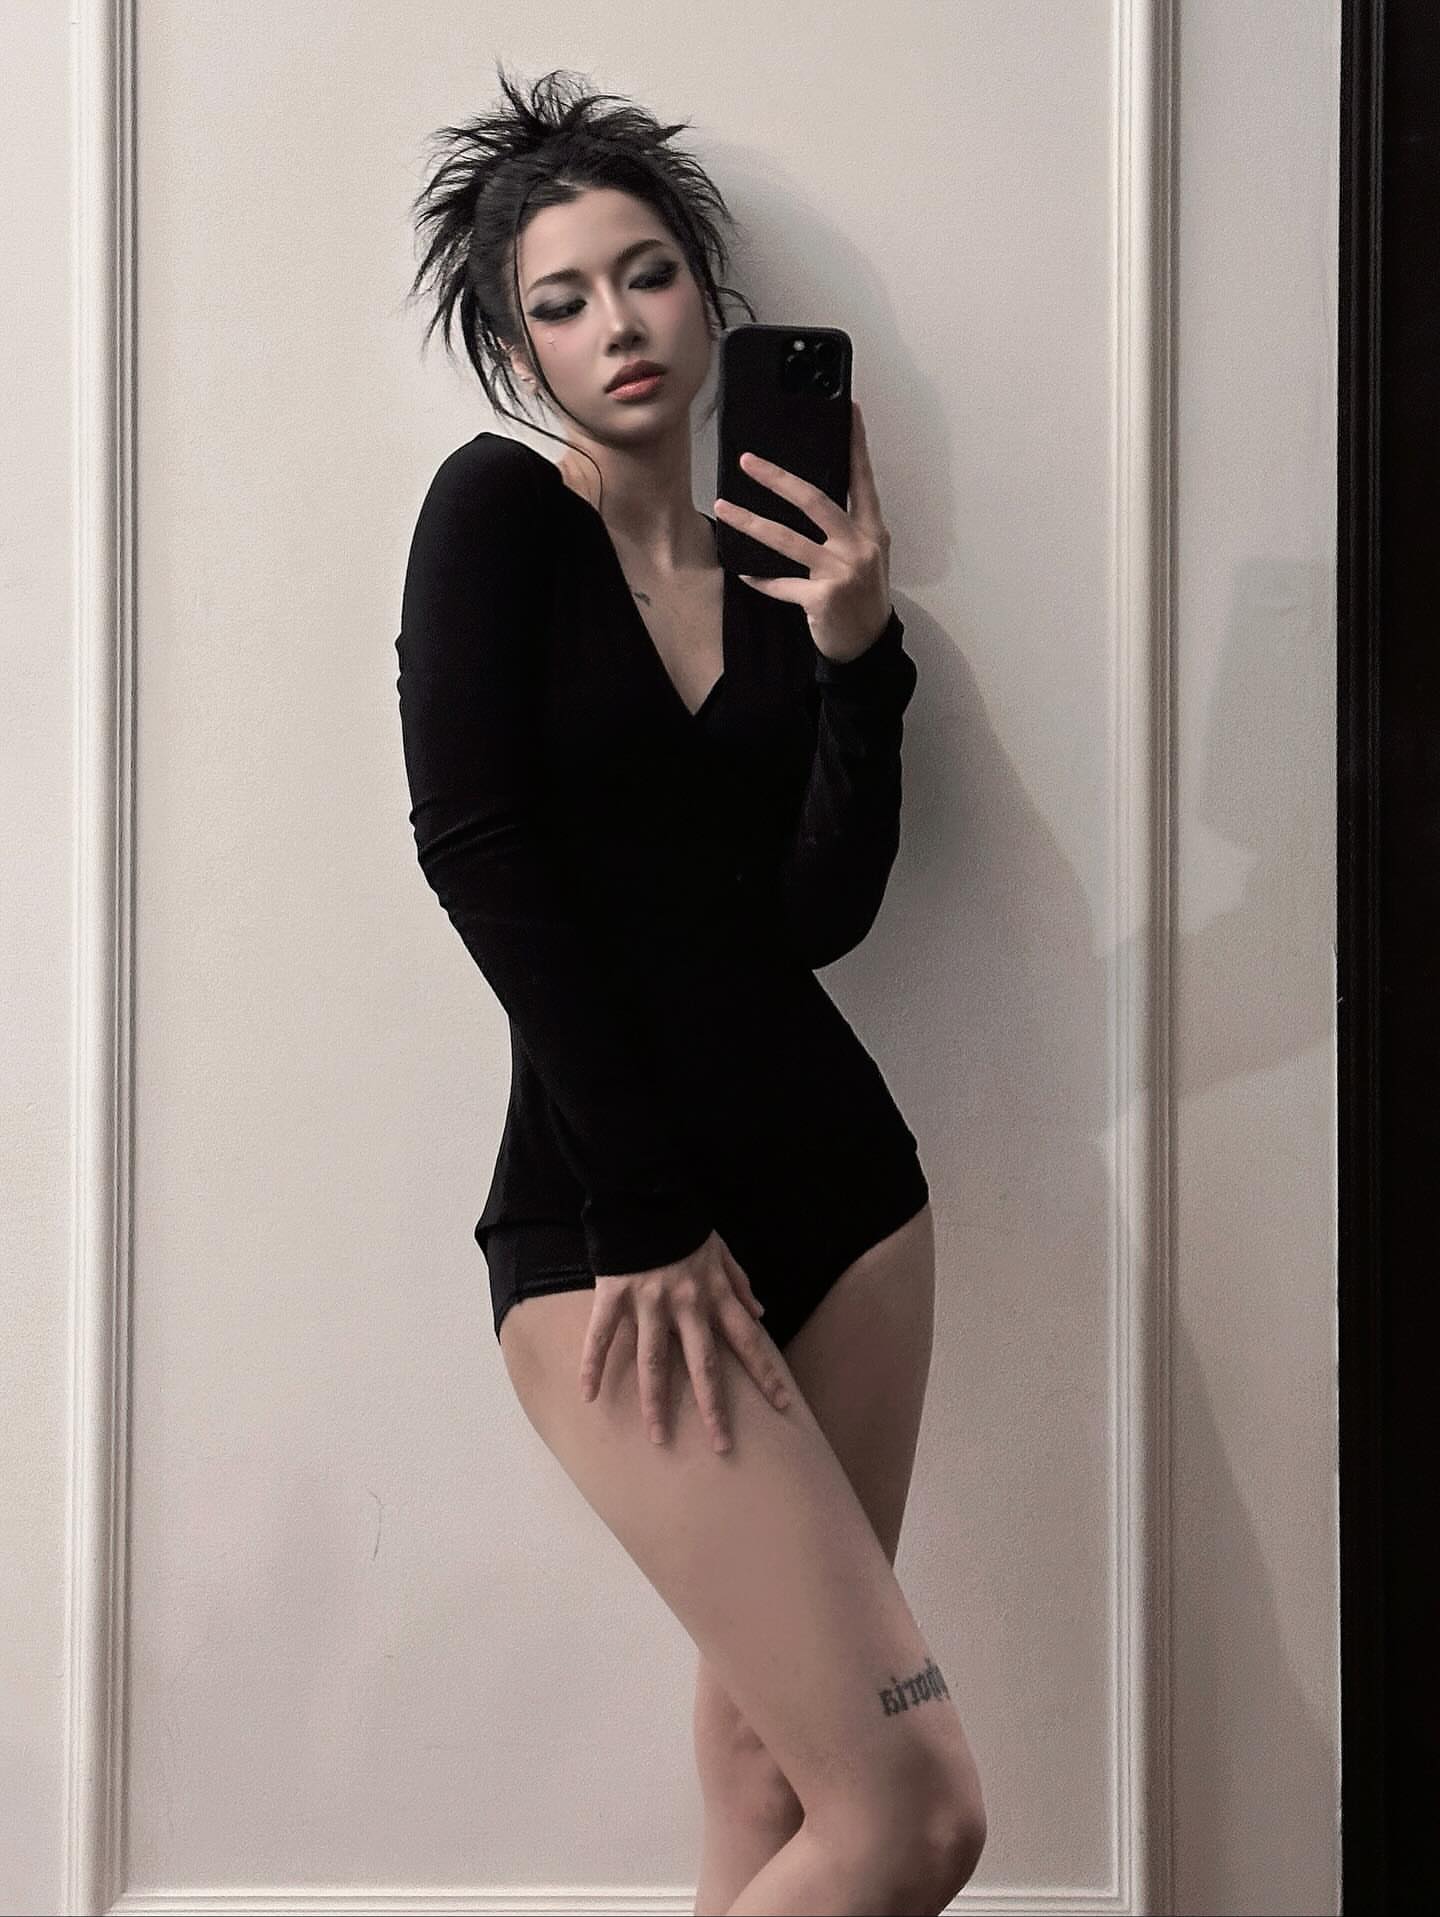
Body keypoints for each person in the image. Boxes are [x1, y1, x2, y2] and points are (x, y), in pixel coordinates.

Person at [397, 62, 987, 1915]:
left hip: (849, 1208)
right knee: (919, 1813)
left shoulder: (775, 568)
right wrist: (645, 1212)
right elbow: (478, 853)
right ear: (519, 347)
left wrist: (859, 654)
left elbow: (816, 914)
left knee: (778, 1773)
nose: (617, 324)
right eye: (561, 300)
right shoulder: (497, 515)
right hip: (614, 1234)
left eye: (645, 274)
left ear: (706, 295)